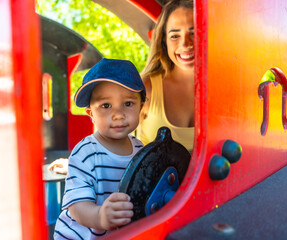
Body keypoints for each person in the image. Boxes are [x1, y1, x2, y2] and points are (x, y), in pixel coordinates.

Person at [54, 58, 146, 240]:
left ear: (141, 107)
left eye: (128, 104)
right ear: (91, 114)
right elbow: (77, 206)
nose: (118, 114)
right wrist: (100, 216)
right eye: (106, 106)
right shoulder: (85, 153)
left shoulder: (140, 150)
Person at [139, 0, 194, 152]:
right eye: (175, 36)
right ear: (164, 41)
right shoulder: (145, 87)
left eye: (194, 33)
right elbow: (109, 147)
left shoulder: (225, 91)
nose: (185, 44)